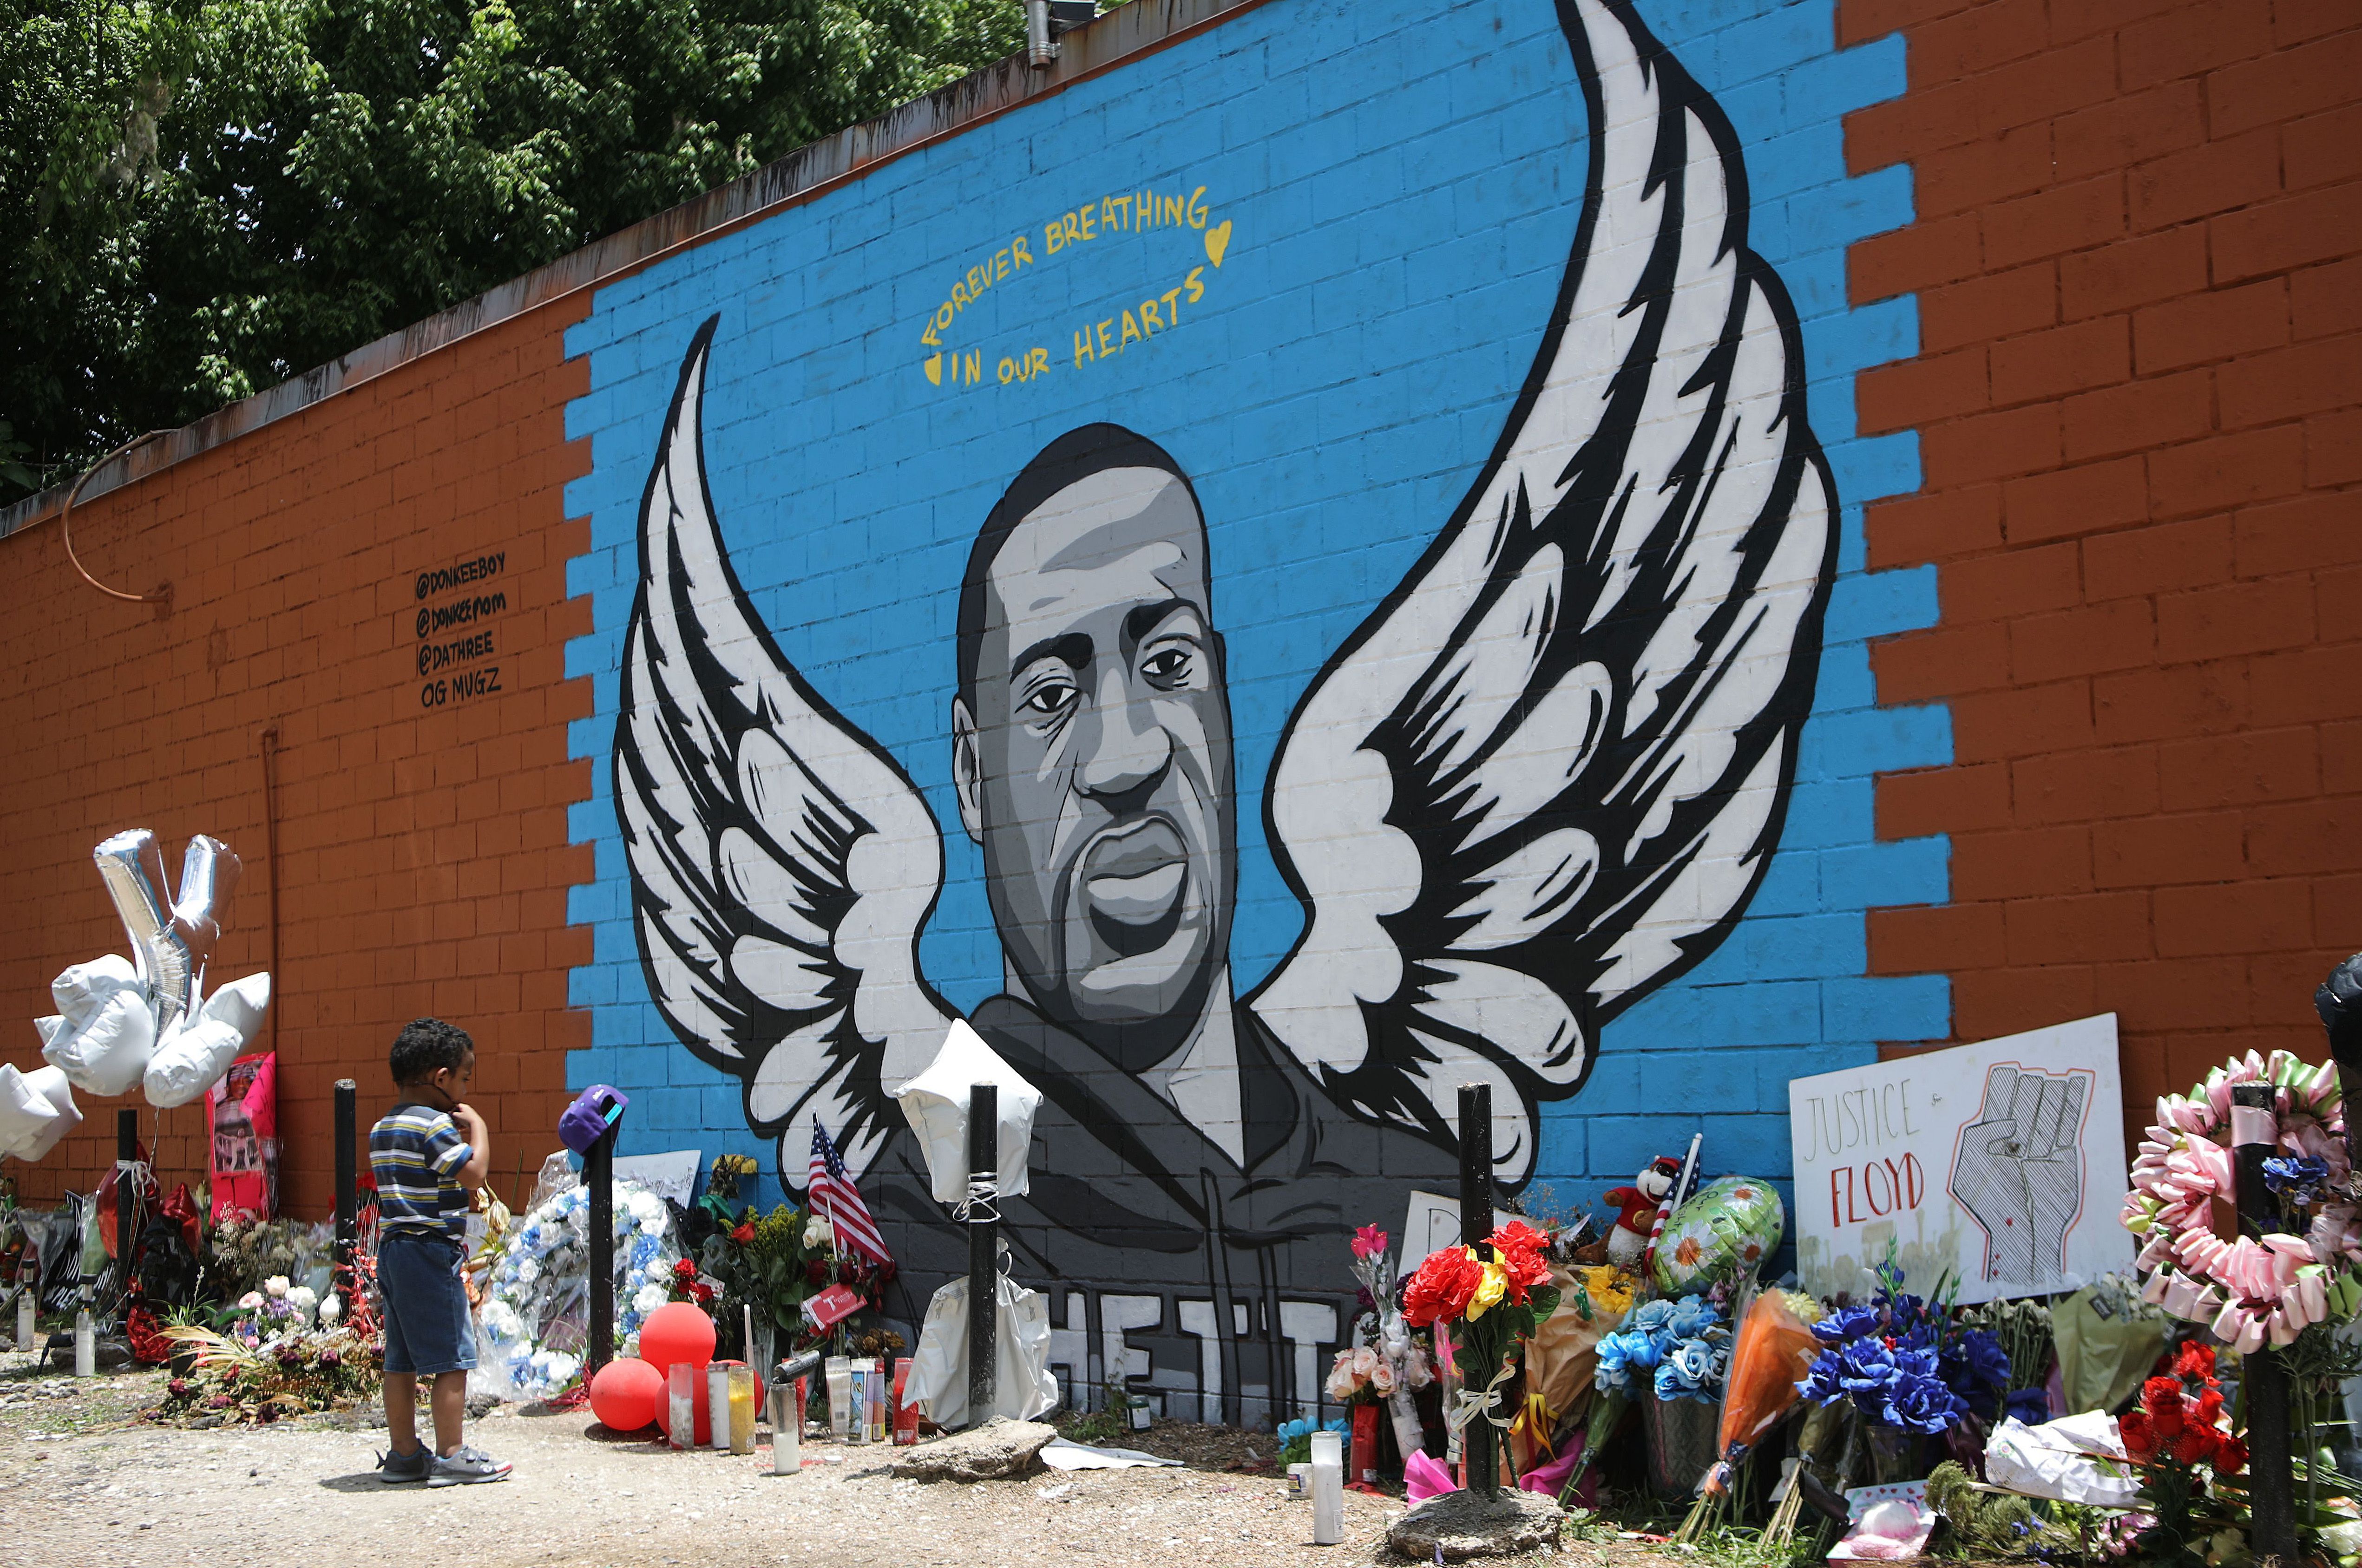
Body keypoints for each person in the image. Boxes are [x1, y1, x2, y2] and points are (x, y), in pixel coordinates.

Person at [370, 1017, 511, 1486]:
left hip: (392, 1250)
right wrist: (480, 1129)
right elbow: (473, 1174)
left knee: (401, 1358)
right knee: (452, 1355)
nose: (465, 1088)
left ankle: (405, 1453)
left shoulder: (382, 1127)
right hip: (431, 1251)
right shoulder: (433, 1125)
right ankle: (452, 1454)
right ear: (441, 1077)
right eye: (465, 1078)